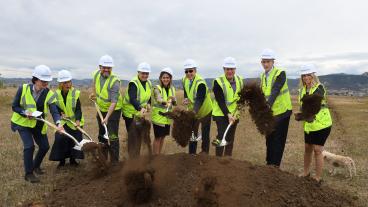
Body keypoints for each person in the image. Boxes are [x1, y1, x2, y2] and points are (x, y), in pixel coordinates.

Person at [11, 65, 64, 183]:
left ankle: (35, 166)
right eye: (43, 81)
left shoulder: (49, 93)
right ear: (35, 79)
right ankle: (28, 173)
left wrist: (59, 123)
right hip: (22, 123)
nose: (46, 83)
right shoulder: (23, 89)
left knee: (45, 146)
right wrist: (24, 112)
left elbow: (54, 110)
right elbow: (14, 106)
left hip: (38, 123)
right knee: (29, 146)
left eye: (47, 81)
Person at [297, 64, 332, 182]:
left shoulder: (319, 87)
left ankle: (317, 177)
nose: (306, 78)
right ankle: (306, 172)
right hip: (309, 124)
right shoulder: (302, 90)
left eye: (308, 75)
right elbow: (303, 106)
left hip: (322, 124)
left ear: (313, 76)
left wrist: (304, 113)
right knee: (307, 148)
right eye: (304, 75)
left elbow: (314, 101)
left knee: (317, 150)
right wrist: (301, 113)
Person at [260, 49, 292, 167]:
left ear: (273, 62)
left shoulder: (280, 73)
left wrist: (267, 106)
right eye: (264, 62)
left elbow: (275, 90)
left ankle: (275, 167)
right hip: (271, 113)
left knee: (278, 140)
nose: (266, 64)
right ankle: (269, 164)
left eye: (268, 61)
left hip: (283, 112)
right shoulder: (263, 76)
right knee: (269, 139)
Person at [90, 55, 123, 164]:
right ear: (100, 67)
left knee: (112, 135)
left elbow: (114, 102)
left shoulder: (115, 82)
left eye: (109, 67)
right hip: (101, 108)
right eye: (104, 67)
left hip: (114, 111)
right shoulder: (95, 74)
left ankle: (114, 162)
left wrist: (107, 118)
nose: (107, 70)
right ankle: (103, 158)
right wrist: (93, 94)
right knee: (102, 134)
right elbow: (94, 85)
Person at [49, 70, 84, 168]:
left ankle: (73, 160)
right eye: (65, 82)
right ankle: (62, 161)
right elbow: (54, 106)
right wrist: (61, 112)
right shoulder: (55, 94)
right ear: (60, 84)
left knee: (75, 140)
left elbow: (78, 109)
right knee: (60, 139)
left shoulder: (75, 93)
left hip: (74, 122)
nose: (68, 84)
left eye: (69, 82)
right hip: (63, 122)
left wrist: (77, 121)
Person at [212, 57, 244, 156]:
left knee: (230, 137)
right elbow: (220, 100)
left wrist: (235, 113)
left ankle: (228, 160)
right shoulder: (218, 82)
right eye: (227, 69)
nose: (230, 71)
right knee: (221, 136)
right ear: (224, 69)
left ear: (235, 69)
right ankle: (218, 160)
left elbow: (240, 98)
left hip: (234, 114)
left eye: (232, 69)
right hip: (221, 114)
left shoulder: (240, 80)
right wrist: (228, 114)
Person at [182, 59, 212, 154]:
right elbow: (186, 91)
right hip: (193, 111)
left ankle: (204, 152)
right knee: (192, 133)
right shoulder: (184, 79)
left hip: (205, 111)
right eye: (186, 71)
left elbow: (199, 99)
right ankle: (192, 154)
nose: (188, 73)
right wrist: (186, 98)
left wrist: (193, 113)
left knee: (205, 133)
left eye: (191, 71)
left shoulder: (201, 83)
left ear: (195, 70)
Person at [122, 62, 152, 158]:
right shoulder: (134, 83)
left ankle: (136, 156)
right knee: (133, 136)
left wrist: (149, 104)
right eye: (143, 73)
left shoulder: (149, 83)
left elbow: (149, 97)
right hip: (130, 114)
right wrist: (140, 108)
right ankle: (132, 158)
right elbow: (132, 98)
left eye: (146, 73)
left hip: (139, 114)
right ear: (138, 72)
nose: (145, 75)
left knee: (139, 135)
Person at [151, 67, 177, 155]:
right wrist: (164, 102)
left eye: (167, 77)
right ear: (161, 78)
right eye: (164, 77)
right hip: (158, 117)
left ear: (170, 79)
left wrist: (173, 101)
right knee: (158, 138)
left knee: (163, 137)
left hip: (167, 118)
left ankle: (159, 156)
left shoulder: (172, 89)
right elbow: (158, 98)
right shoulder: (157, 88)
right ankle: (155, 157)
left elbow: (175, 102)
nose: (165, 79)